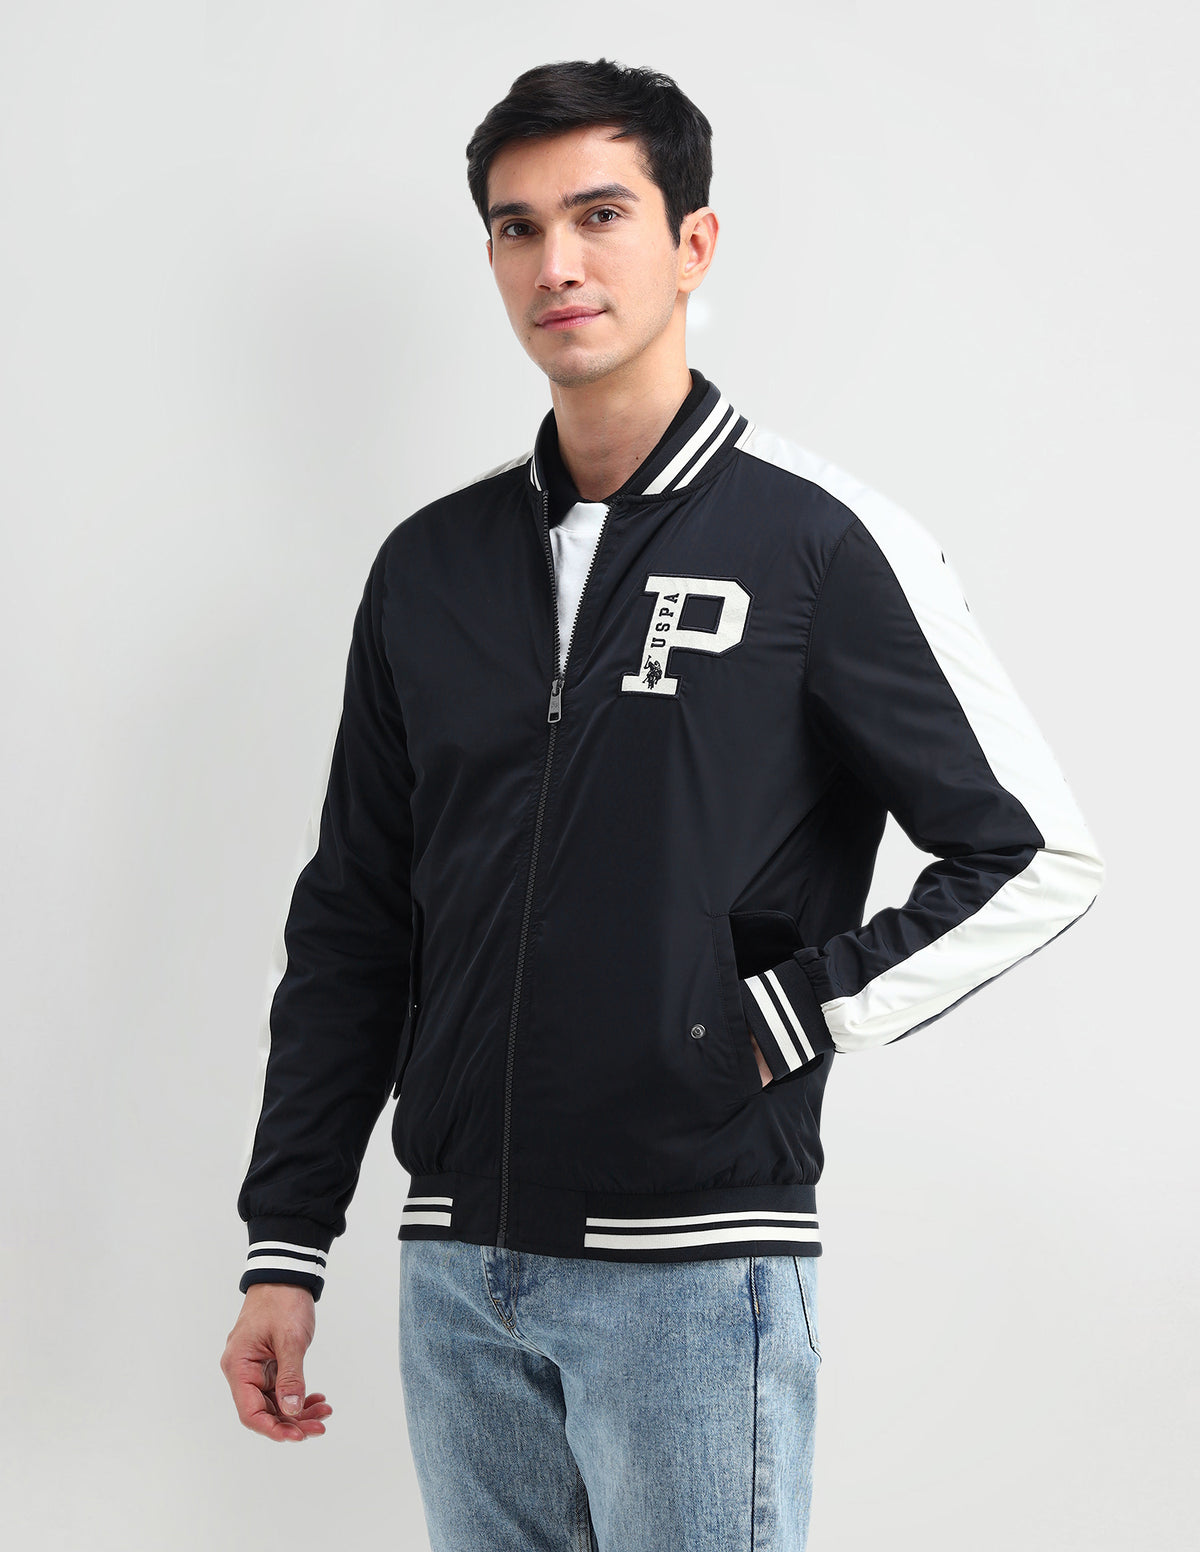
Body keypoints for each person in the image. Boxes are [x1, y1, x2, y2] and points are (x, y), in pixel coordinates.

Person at [220, 58, 1104, 1552]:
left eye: (599, 215)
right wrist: (286, 1243)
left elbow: (1035, 855)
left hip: (694, 1269)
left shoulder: (818, 542)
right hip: (456, 1273)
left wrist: (780, 1017)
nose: (555, 263)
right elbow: (357, 918)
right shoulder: (430, 566)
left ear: (693, 243)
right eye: (516, 228)